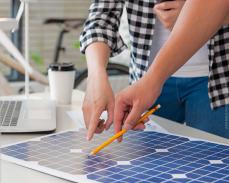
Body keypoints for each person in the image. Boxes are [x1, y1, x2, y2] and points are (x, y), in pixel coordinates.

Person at [80, 0, 229, 140]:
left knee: (213, 160)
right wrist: (96, 75)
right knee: (145, 162)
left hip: (218, 80)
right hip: (145, 83)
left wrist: (198, 17)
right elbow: (101, 19)